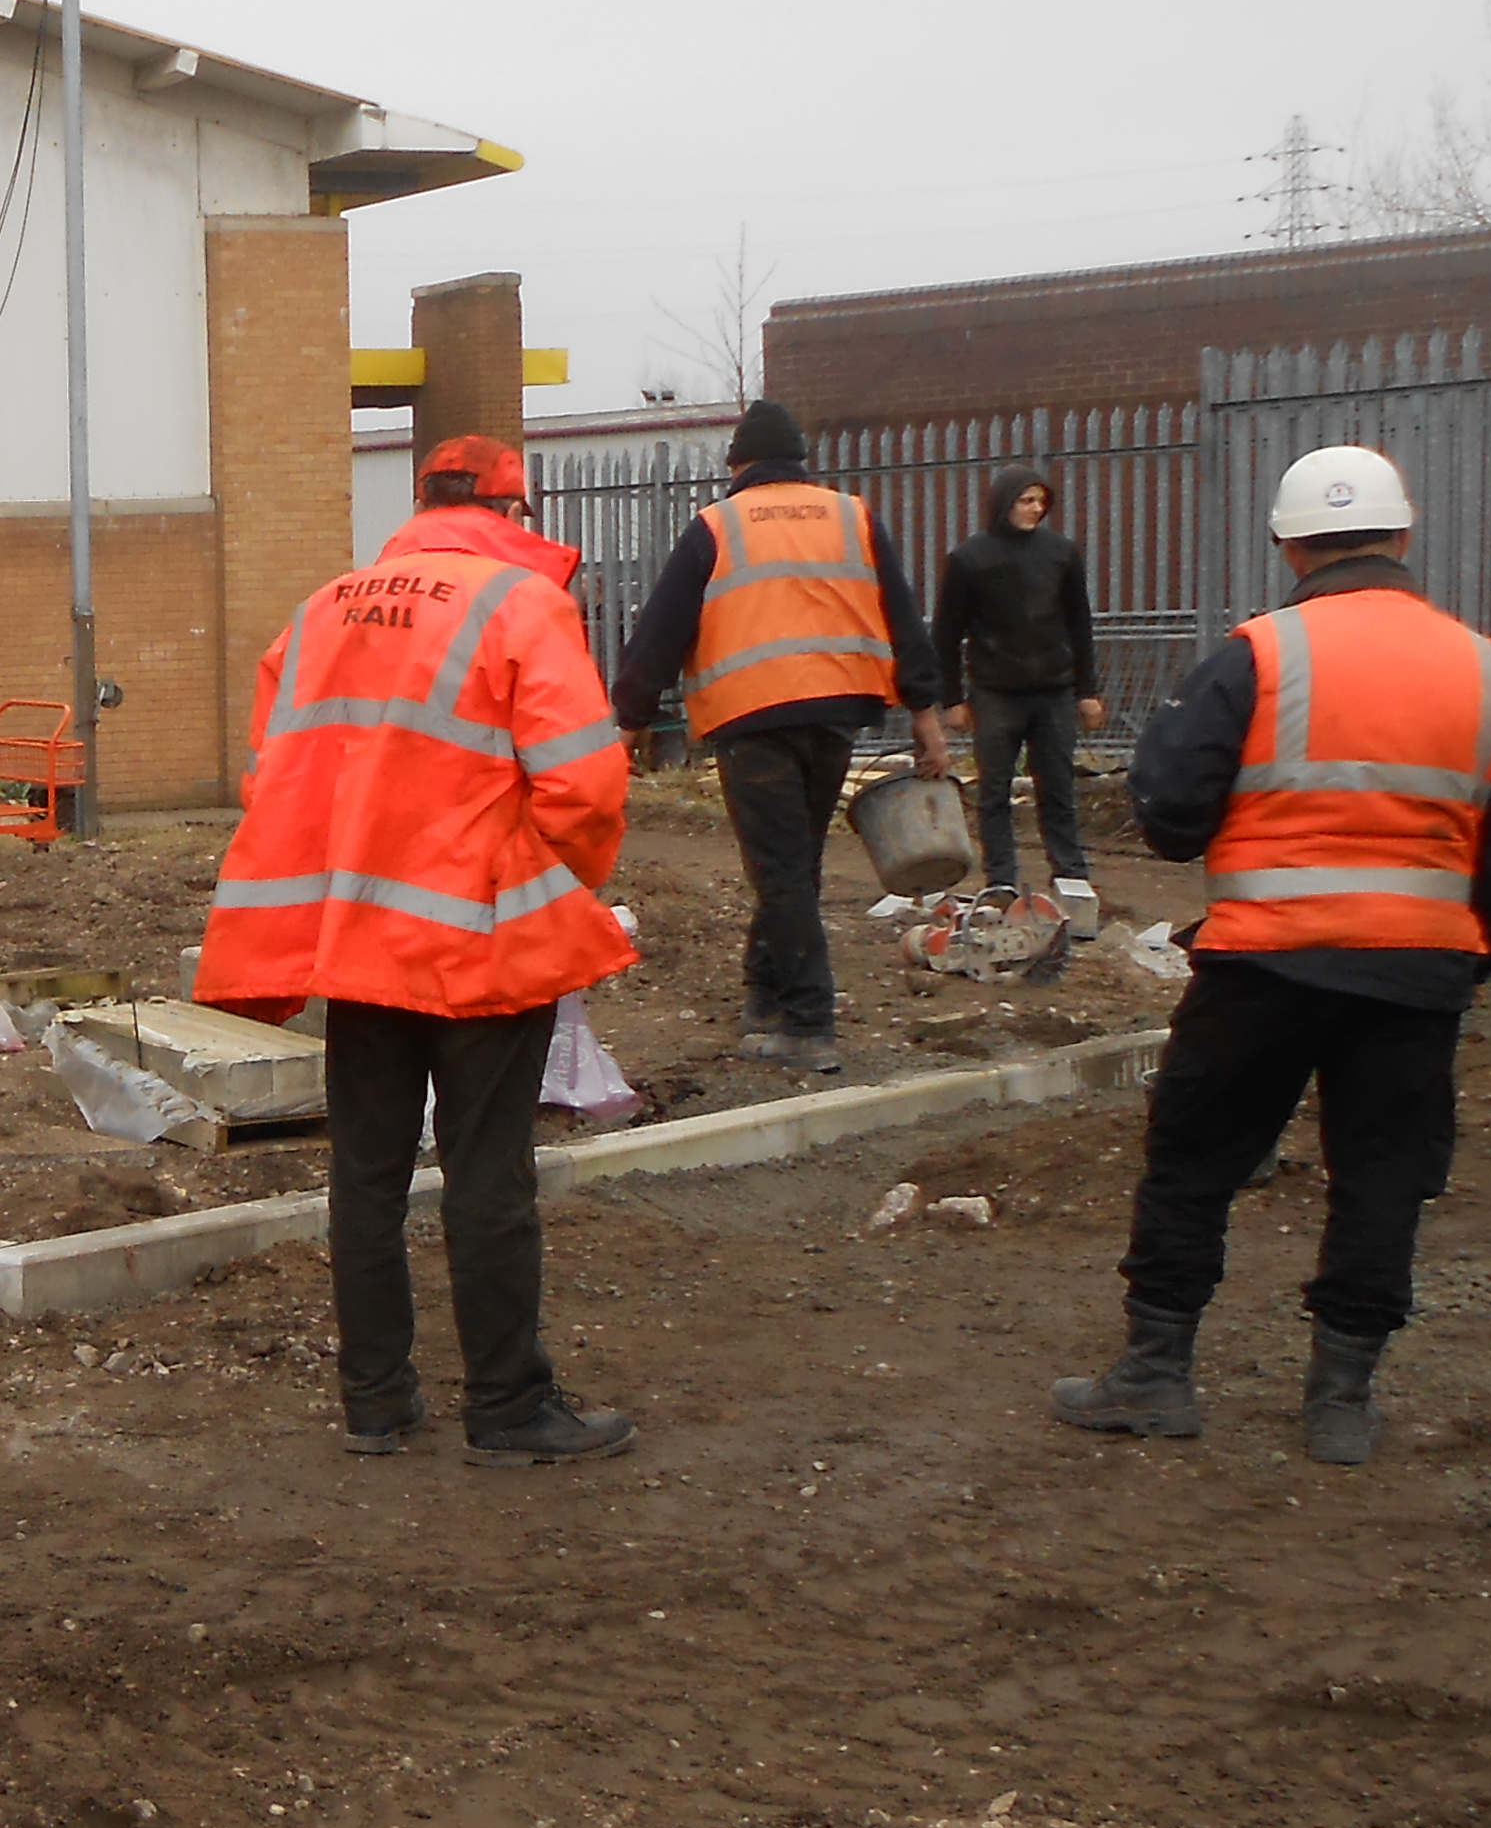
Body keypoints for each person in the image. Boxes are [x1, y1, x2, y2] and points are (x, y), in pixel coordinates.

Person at [1051, 444, 1491, 1465]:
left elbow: (1169, 812)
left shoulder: (1257, 656)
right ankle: (1341, 1404)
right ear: (1405, 537)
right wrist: (1468, 959)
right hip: (1414, 974)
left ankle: (1155, 1375)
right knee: (1381, 1177)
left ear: (1287, 545)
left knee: (1194, 1161)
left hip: (1264, 965)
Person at [200, 434, 640, 1464]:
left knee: (366, 1171)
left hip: (355, 940)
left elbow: (274, 778)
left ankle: (377, 1401)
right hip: (479, 942)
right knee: (490, 1171)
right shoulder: (521, 605)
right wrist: (547, 879)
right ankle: (507, 1408)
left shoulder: (323, 610)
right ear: (512, 513)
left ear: (421, 502)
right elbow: (585, 786)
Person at [610, 399, 952, 1075]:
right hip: (835, 712)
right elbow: (904, 615)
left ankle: (809, 1022)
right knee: (795, 867)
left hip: (754, 718)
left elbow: (660, 631)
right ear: (800, 461)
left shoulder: (717, 525)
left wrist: (629, 721)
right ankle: (764, 1000)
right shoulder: (852, 517)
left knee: (781, 872)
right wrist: (925, 715)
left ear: (738, 464)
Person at [933, 465, 1105, 909]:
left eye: (1040, 500)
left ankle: (1070, 876)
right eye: (1026, 500)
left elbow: (1078, 624)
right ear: (1004, 503)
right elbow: (947, 635)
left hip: (1053, 691)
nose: (1036, 508)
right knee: (994, 791)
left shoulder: (1061, 554)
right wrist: (952, 699)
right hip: (995, 693)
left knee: (1058, 788)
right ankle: (1002, 882)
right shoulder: (969, 560)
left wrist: (1087, 690)